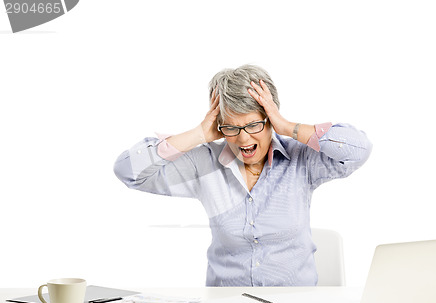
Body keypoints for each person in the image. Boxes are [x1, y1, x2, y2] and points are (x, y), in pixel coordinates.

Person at [114, 64, 372, 286]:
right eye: (231, 128)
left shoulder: (301, 159)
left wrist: (289, 127)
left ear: (269, 118)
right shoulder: (205, 163)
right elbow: (128, 171)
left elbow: (358, 149)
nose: (243, 138)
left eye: (253, 125)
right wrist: (198, 135)